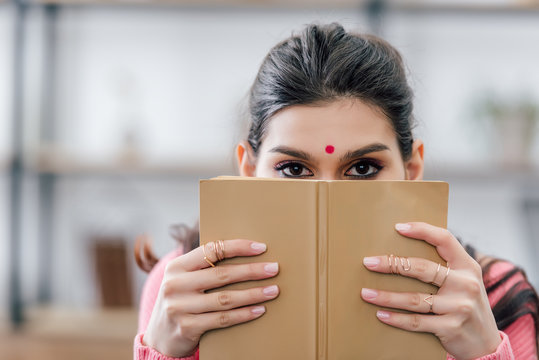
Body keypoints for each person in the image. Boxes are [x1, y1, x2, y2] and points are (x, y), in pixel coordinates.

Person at [133, 23, 539, 360]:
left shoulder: (494, 297)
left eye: (362, 168)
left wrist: (486, 352)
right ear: (248, 168)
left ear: (412, 169)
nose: (327, 200)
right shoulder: (181, 289)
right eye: (293, 168)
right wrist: (162, 351)